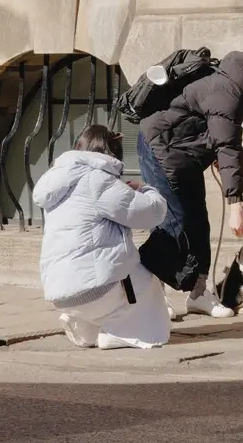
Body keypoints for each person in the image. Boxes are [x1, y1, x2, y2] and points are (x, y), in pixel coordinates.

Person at [137, 47, 243, 318]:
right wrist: (235, 205)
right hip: (160, 149)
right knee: (173, 224)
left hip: (186, 156)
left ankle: (200, 293)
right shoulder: (229, 92)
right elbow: (228, 148)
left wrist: (213, 152)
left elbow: (220, 137)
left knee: (199, 223)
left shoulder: (241, 90)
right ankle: (152, 294)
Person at [32, 124, 170, 350]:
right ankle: (122, 335)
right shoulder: (98, 180)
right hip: (94, 291)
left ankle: (83, 327)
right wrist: (146, 189)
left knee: (111, 274)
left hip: (59, 293)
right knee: (146, 283)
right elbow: (150, 213)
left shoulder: (56, 182)